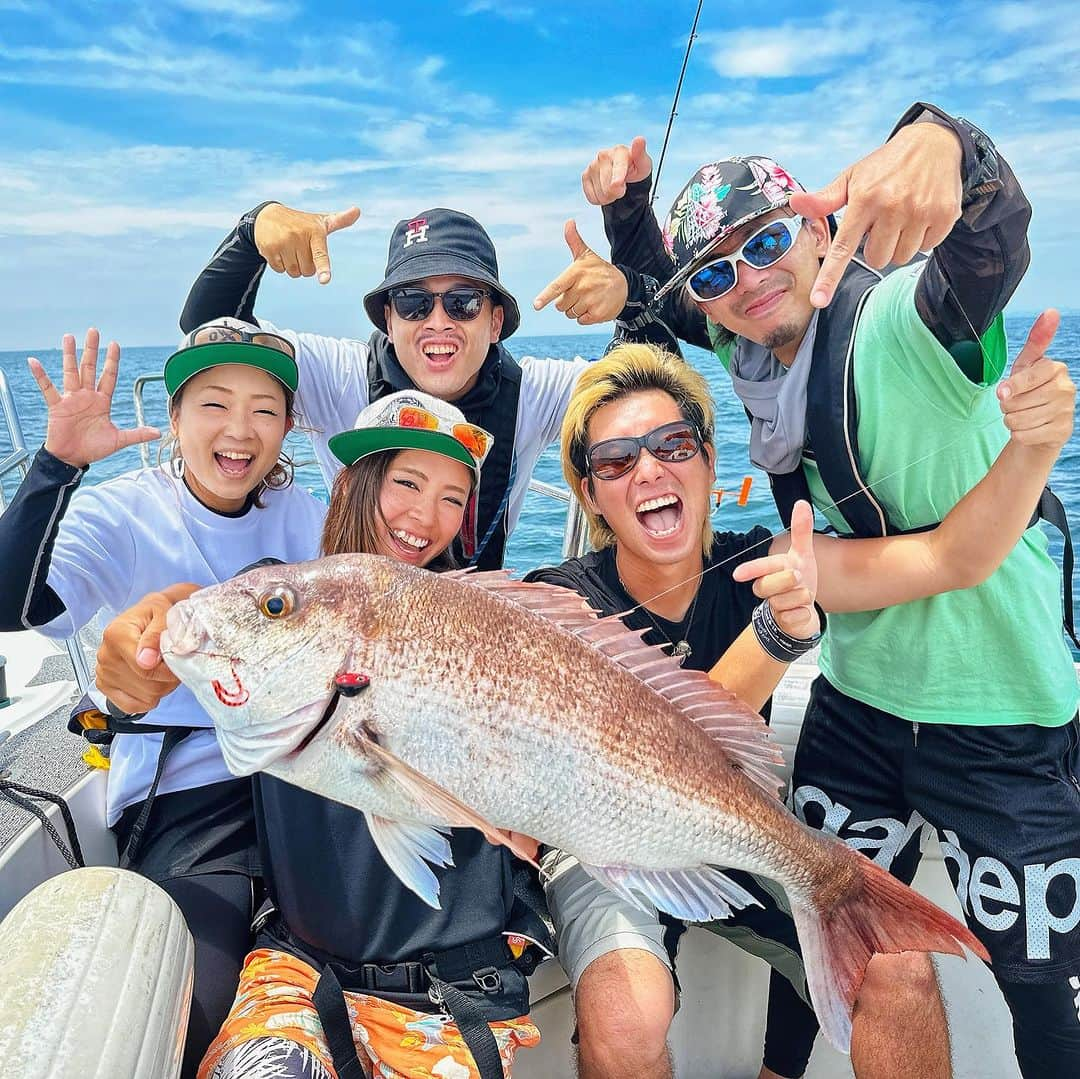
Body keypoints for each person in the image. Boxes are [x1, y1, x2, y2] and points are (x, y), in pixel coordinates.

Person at [546, 103, 1080, 1077]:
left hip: (996, 706)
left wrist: (943, 144)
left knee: (1042, 986)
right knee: (821, 909)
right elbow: (673, 300)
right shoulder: (754, 351)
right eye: (719, 273)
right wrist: (628, 214)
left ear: (823, 229)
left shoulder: (898, 319)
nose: (746, 282)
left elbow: (986, 247)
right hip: (859, 699)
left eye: (769, 243)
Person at [99, 391, 543, 1079]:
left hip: (453, 993)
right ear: (353, 482)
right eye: (406, 482)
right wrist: (137, 645)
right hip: (296, 975)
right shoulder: (281, 597)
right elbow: (192, 611)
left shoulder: (487, 628)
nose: (426, 517)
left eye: (454, 498)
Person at [0, 322, 328, 1079]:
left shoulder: (306, 518)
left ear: (286, 428)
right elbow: (15, 605)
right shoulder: (123, 512)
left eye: (266, 410)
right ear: (175, 418)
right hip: (189, 795)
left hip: (303, 777)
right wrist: (56, 466)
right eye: (214, 403)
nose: (240, 430)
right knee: (195, 1007)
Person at [179, 201, 591, 570]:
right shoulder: (340, 375)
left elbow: (643, 393)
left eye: (462, 302)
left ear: (495, 321)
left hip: (474, 617)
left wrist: (630, 288)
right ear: (388, 321)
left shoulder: (534, 393)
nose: (438, 322)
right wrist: (253, 231)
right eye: (414, 302)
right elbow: (214, 337)